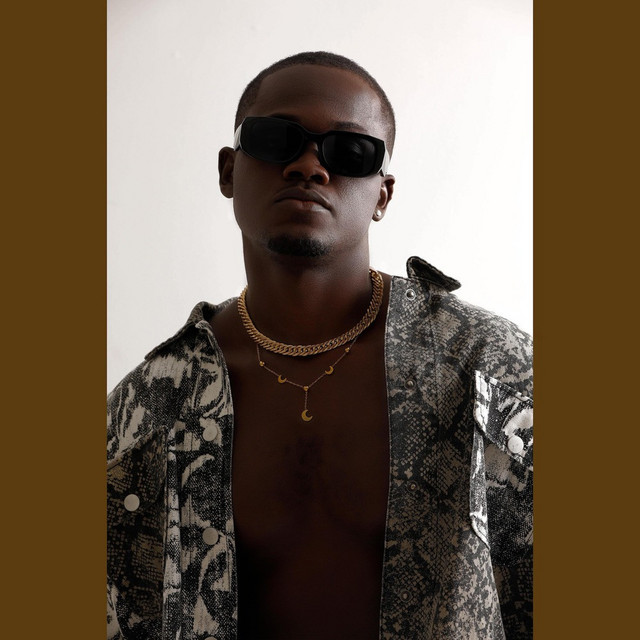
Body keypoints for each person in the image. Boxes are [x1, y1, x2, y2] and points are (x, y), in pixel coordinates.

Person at [107, 51, 533, 640]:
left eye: (349, 151)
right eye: (276, 139)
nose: (308, 165)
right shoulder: (151, 404)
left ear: (382, 195)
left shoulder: (488, 367)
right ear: (229, 170)